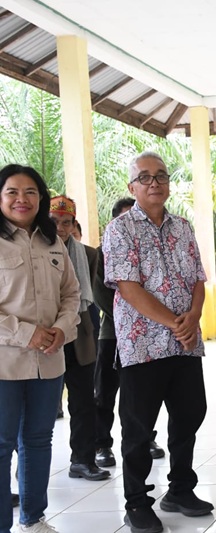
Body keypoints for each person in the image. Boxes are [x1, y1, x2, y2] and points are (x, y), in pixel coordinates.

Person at [103, 151, 212, 533]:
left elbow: (199, 278)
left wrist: (194, 318)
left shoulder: (183, 226)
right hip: (142, 346)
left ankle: (180, 489)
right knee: (138, 428)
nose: (154, 183)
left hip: (185, 345)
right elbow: (128, 288)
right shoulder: (119, 229)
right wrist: (174, 322)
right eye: (145, 178)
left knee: (189, 416)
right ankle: (137, 502)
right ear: (131, 186)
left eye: (161, 176)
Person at [0, 164, 80, 533]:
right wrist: (25, 334)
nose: (22, 199)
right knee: (1, 446)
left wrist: (63, 330)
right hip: (5, 364)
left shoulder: (53, 242)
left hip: (49, 362)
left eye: (30, 192)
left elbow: (71, 294)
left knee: (38, 440)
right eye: (12, 192)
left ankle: (33, 518)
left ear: (41, 198)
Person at [93, 197, 165, 468]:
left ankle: (146, 437)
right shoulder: (104, 251)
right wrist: (131, 315)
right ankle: (101, 444)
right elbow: (101, 293)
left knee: (144, 392)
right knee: (105, 391)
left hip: (150, 333)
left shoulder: (155, 248)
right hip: (113, 333)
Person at [48, 196, 109, 483]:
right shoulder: (34, 251)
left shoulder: (88, 255)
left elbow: (92, 297)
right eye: (54, 222)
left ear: (74, 225)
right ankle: (27, 467)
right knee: (40, 407)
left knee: (84, 401)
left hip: (80, 335)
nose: (60, 228)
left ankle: (83, 460)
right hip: (46, 338)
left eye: (66, 222)